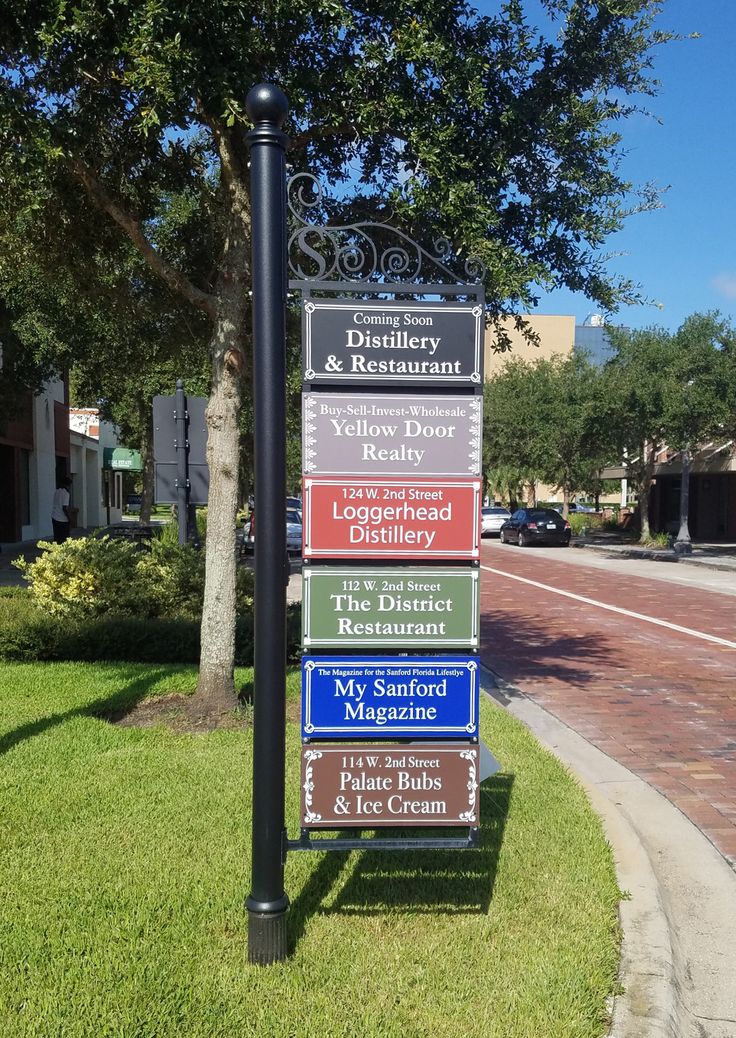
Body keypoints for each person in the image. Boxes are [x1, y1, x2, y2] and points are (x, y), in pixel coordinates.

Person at [51, 477, 72, 544]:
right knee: (64, 538)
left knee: (57, 537)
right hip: (62, 519)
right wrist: (70, 518)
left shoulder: (56, 492)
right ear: (67, 485)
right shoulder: (66, 493)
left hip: (54, 517)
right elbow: (64, 508)